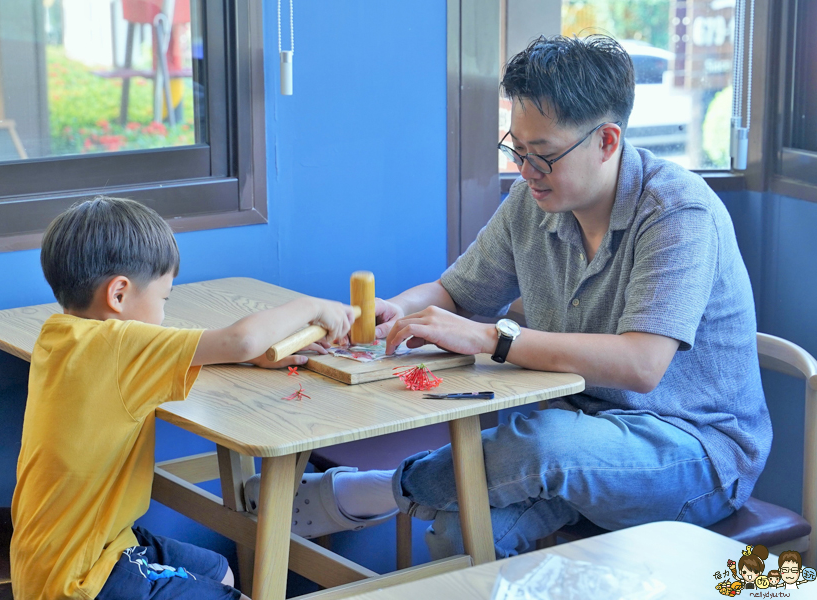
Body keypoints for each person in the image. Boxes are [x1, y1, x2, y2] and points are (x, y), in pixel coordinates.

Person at [244, 34, 771, 558]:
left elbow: (641, 365)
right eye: (515, 150)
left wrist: (491, 338)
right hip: (578, 436)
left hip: (693, 453)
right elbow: (457, 289)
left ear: (607, 141)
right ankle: (379, 495)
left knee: (543, 442)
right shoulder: (532, 198)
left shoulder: (677, 212)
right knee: (463, 535)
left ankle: (374, 490)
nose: (525, 171)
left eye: (542, 155)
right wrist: (398, 312)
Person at [10, 196, 355, 600]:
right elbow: (240, 339)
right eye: (163, 300)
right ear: (119, 294)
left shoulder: (64, 337)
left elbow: (227, 348)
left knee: (221, 573)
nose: (163, 315)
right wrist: (313, 306)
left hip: (80, 548)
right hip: (83, 579)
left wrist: (251, 356)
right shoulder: (118, 344)